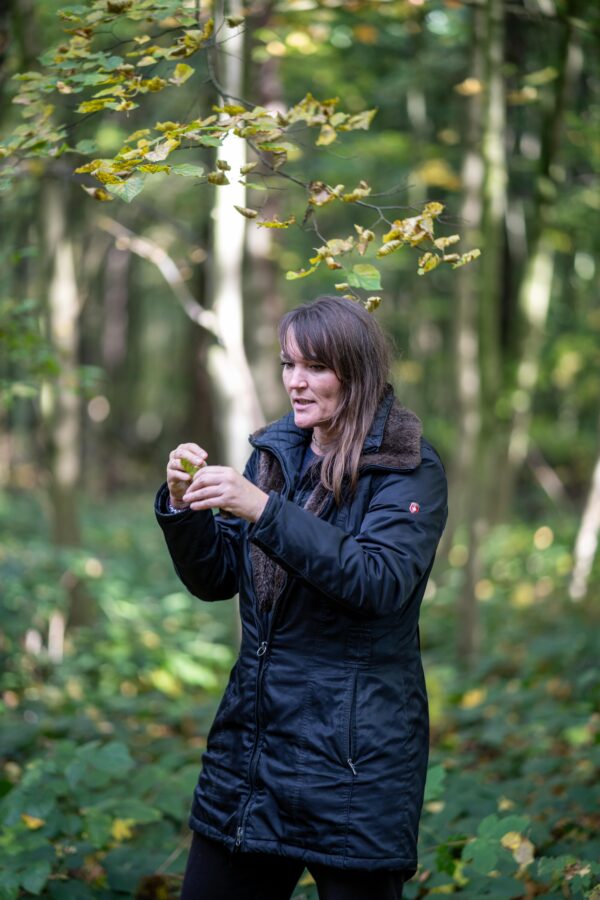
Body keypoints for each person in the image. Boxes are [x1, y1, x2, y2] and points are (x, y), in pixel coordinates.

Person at [155, 296, 448, 900]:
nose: (295, 381)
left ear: (355, 371)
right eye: (288, 364)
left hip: (353, 764)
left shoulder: (408, 467)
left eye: (314, 367)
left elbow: (378, 581)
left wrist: (263, 510)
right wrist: (183, 508)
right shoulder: (277, 452)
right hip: (253, 750)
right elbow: (216, 580)